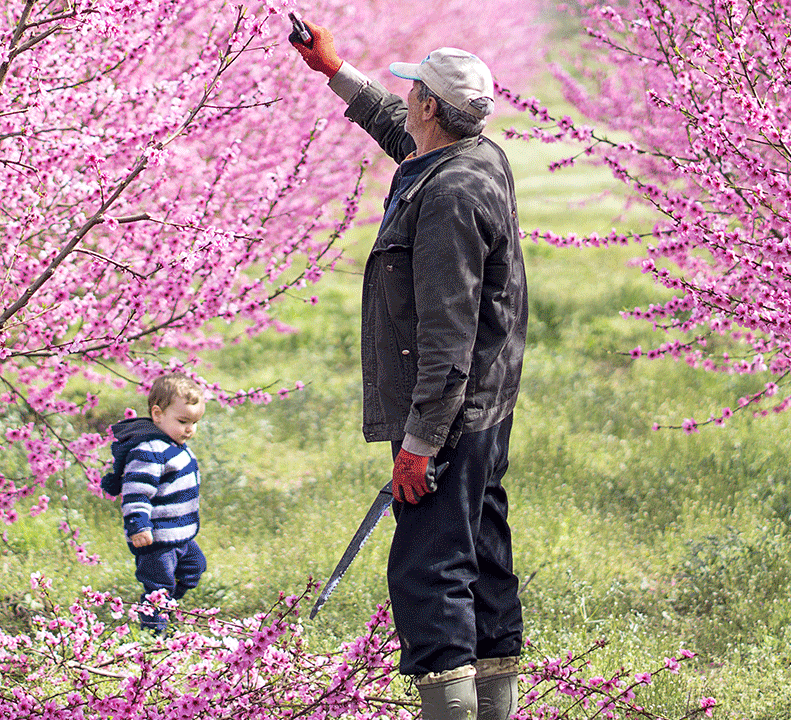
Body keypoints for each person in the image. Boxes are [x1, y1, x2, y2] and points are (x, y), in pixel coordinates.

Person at [292, 24, 529, 720]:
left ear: (432, 105)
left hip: (450, 414)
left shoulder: (450, 198)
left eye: (413, 90)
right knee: (481, 557)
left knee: (429, 573)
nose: (409, 99)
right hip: (484, 405)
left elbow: (448, 334)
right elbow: (403, 134)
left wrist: (420, 443)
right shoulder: (474, 157)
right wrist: (334, 71)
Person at [100, 373, 208, 633]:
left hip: (180, 535)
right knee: (158, 586)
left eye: (195, 422)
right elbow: (136, 492)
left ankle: (166, 604)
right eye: (183, 421)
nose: (189, 429)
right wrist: (138, 525)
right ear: (157, 414)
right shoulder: (149, 451)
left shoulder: (176, 445)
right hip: (155, 540)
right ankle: (154, 632)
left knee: (194, 568)